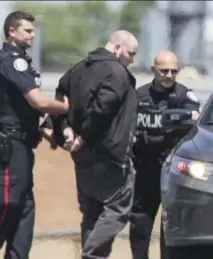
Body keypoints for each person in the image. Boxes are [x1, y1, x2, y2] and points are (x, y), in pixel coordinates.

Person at [0, 11, 68, 259]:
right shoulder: (9, 61)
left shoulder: (22, 62)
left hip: (23, 145)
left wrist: (46, 130)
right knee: (9, 206)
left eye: (33, 30)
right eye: (27, 30)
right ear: (11, 32)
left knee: (25, 210)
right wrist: (70, 107)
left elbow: (23, 108)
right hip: (9, 146)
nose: (32, 34)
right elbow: (38, 101)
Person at [59, 30, 139, 259]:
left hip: (82, 156)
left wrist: (66, 129)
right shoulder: (117, 72)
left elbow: (59, 100)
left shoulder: (77, 69)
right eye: (130, 53)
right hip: (109, 155)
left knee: (92, 212)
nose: (132, 60)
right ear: (116, 48)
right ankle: (91, 255)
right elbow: (104, 107)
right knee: (118, 209)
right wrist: (83, 135)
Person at [129, 51, 200, 259]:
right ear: (154, 70)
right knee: (140, 220)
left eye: (173, 71)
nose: (169, 75)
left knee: (172, 222)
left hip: (173, 167)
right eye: (164, 71)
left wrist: (171, 117)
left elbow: (195, 116)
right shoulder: (139, 95)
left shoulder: (184, 95)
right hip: (145, 166)